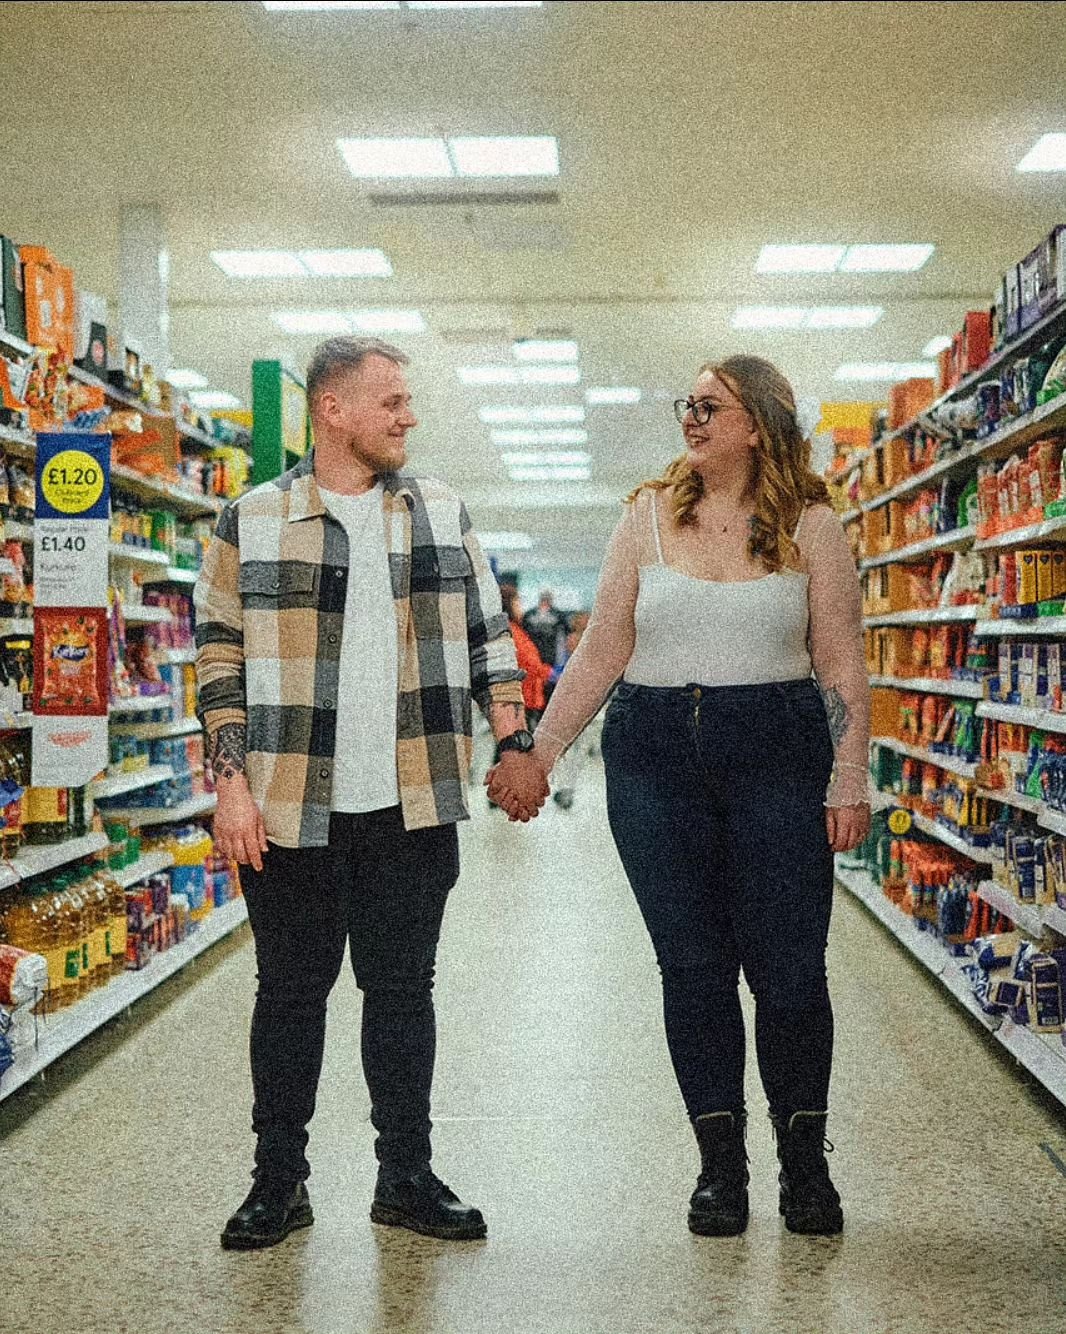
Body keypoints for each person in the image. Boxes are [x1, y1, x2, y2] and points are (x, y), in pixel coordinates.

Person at [488, 354, 871, 1238]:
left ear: (758, 422)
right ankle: (720, 1166)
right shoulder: (647, 515)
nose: (691, 418)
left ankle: (804, 1162)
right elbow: (601, 652)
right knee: (692, 969)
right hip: (655, 756)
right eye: (685, 403)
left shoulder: (812, 523)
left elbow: (841, 659)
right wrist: (539, 754)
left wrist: (850, 775)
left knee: (790, 970)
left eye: (710, 405)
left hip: (780, 751)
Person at [194, 335, 547, 1252]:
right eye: (390, 400)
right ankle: (279, 1181)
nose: (409, 416)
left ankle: (405, 1177)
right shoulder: (253, 518)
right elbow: (220, 655)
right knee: (290, 995)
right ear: (332, 410)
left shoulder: (440, 512)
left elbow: (487, 637)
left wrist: (514, 742)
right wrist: (228, 784)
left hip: (412, 800)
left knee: (403, 995)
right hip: (284, 805)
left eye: (407, 400)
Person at [522, 588, 567, 670]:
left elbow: (563, 637)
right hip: (533, 652)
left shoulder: (559, 615)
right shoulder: (529, 614)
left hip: (550, 654)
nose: (545, 600)